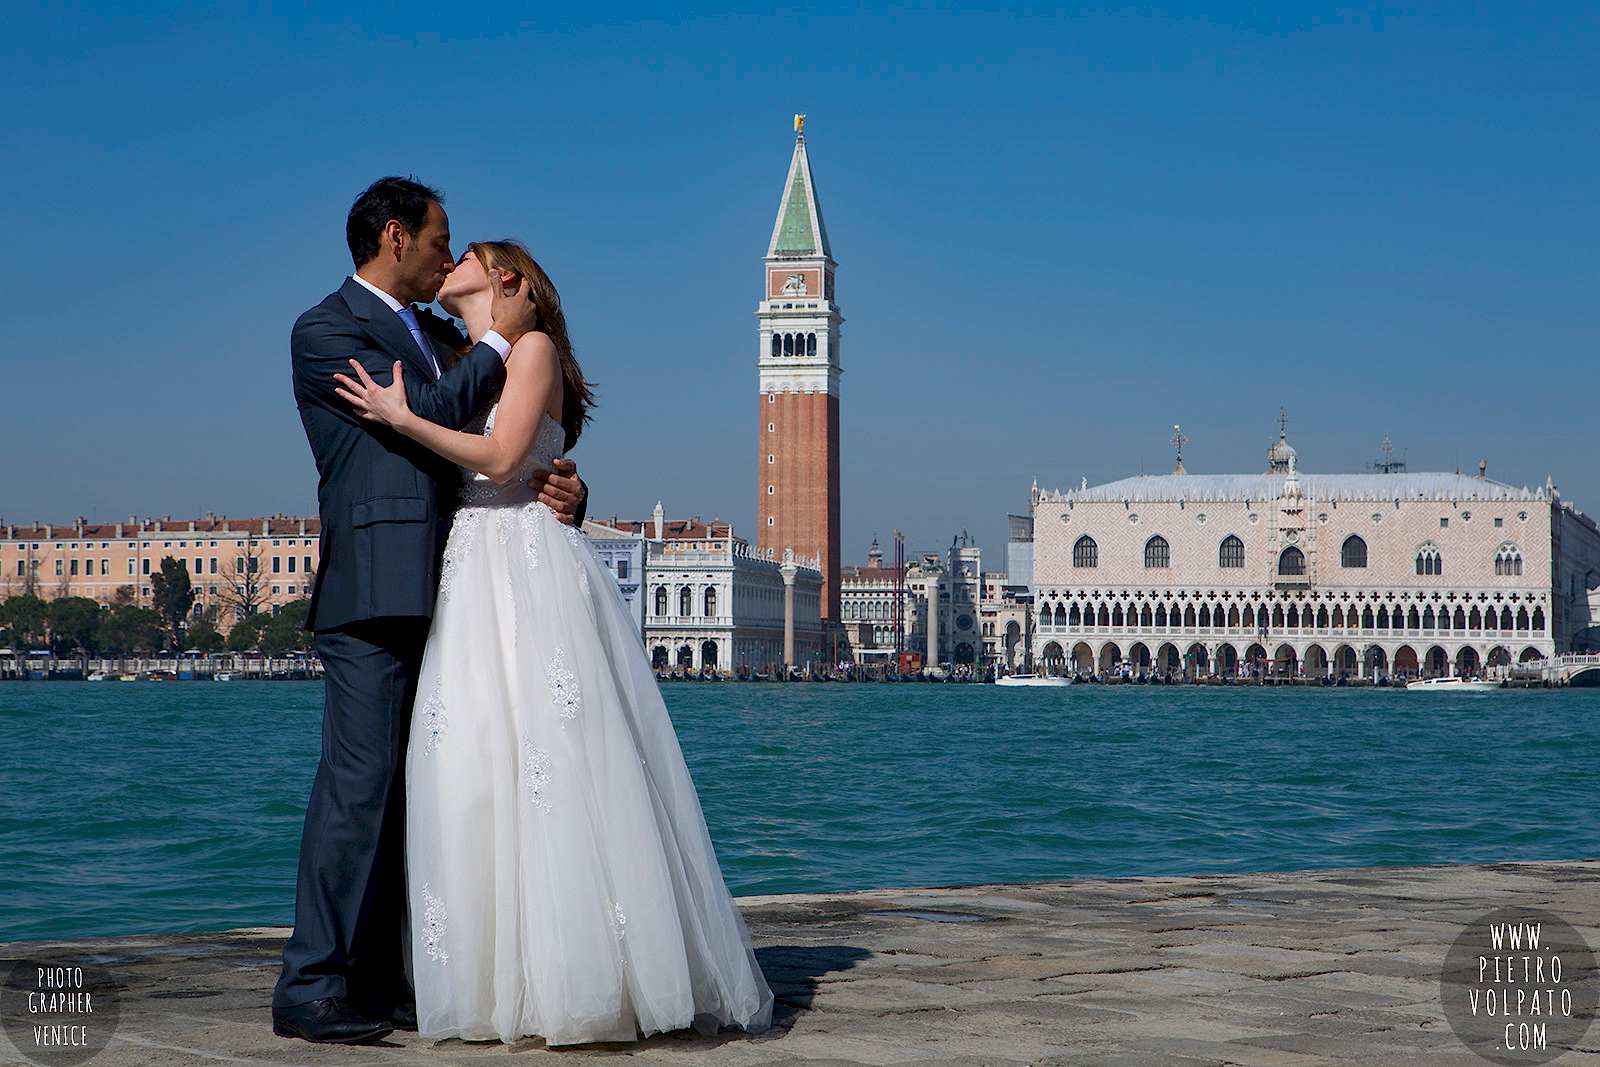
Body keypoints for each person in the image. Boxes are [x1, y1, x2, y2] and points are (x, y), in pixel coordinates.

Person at [334, 239, 775, 1047]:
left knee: (551, 762)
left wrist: (401, 416)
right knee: (472, 767)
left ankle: (573, 975)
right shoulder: (453, 350)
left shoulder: (529, 347)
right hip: (471, 573)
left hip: (521, 567)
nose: (450, 259)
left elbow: (505, 457)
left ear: (509, 279)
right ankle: (491, 978)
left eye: (464, 251)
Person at [273, 178, 589, 1046]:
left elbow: (502, 438)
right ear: (393, 236)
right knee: (358, 782)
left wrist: (561, 483)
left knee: (423, 791)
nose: (449, 257)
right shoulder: (325, 330)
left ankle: (378, 977)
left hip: (458, 587)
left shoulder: (448, 335)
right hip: (374, 589)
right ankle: (310, 983)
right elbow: (426, 414)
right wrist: (495, 338)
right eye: (439, 239)